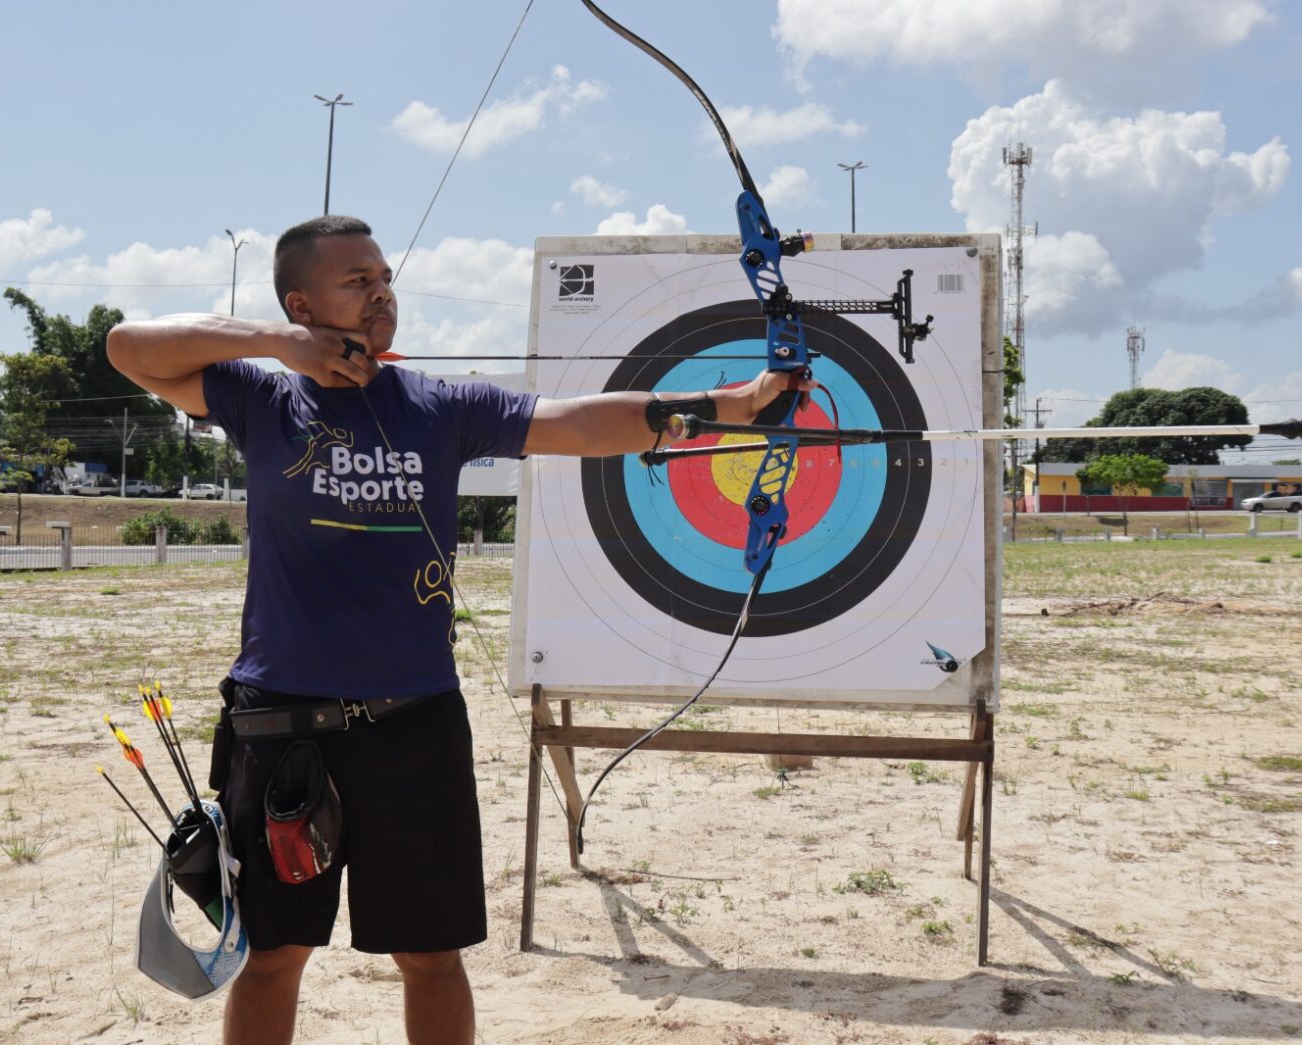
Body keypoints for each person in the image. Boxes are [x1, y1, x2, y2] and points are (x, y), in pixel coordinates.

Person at [106, 215, 810, 1045]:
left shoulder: (441, 405)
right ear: (301, 304)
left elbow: (581, 423)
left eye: (384, 278)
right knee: (273, 954)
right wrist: (276, 344)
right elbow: (127, 348)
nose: (381, 293)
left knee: (432, 955)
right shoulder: (261, 398)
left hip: (414, 726)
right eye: (356, 281)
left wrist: (730, 405)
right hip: (283, 727)